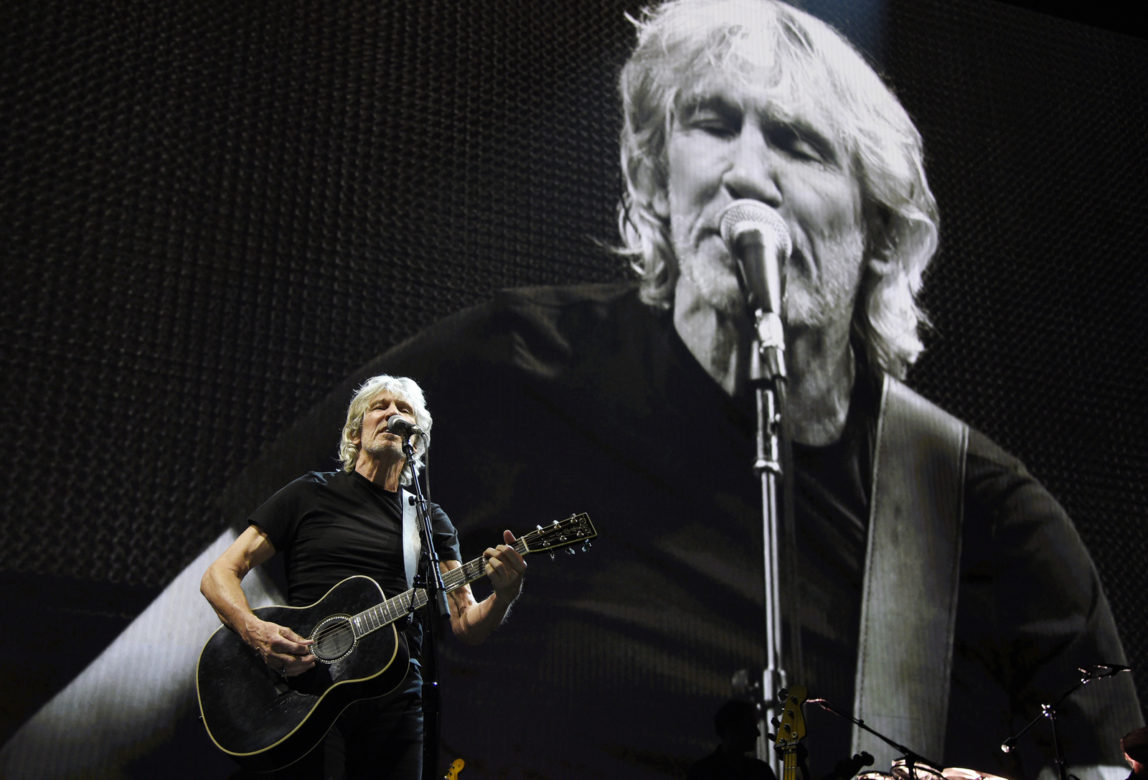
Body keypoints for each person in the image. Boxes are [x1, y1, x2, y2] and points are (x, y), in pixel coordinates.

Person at [2, 2, 1141, 779]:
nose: (744, 166)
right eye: (710, 123)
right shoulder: (506, 368)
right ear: (657, 171)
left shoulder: (975, 512)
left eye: (794, 142)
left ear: (878, 225)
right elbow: (134, 689)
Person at [199, 374, 525, 779]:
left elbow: (465, 622)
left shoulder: (428, 519)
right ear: (355, 433)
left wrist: (504, 596)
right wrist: (255, 631)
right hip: (306, 688)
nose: (393, 413)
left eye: (404, 410)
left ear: (416, 441)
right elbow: (218, 574)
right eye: (380, 406)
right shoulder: (308, 494)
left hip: (394, 697)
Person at [688, 699, 777, 780]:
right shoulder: (761, 771)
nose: (758, 733)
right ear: (733, 729)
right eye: (751, 726)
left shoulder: (701, 771)